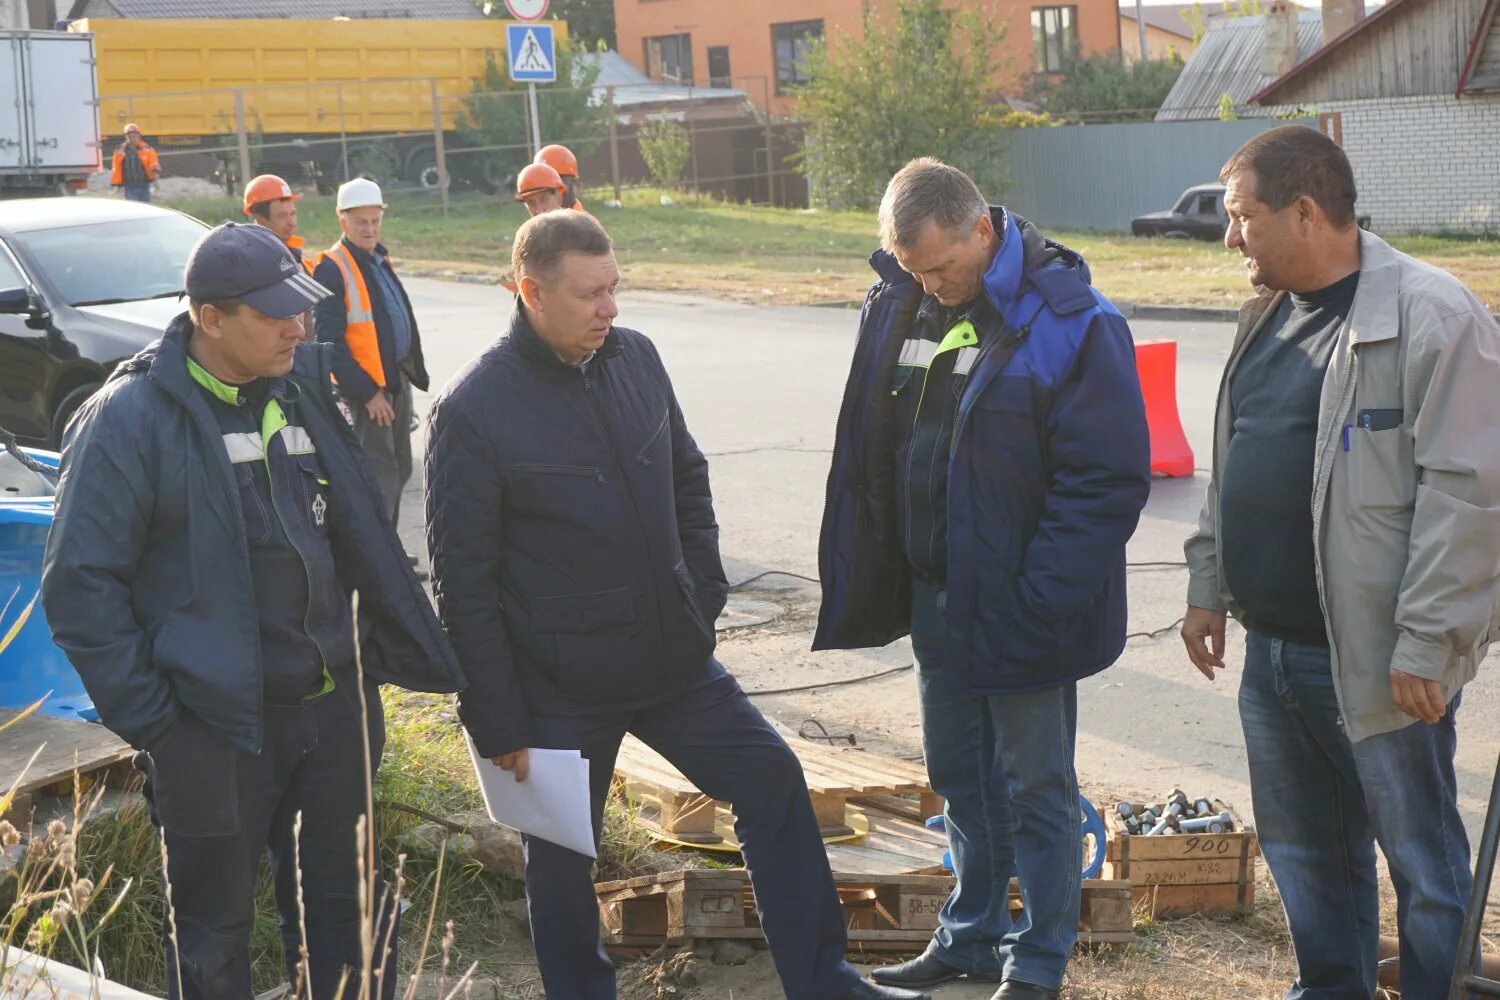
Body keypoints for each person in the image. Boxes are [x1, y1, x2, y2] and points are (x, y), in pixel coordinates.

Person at [425, 210, 924, 1000]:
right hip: (555, 686)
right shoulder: (475, 409)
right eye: (591, 294)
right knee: (559, 864)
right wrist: (495, 718)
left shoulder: (637, 359)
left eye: (614, 288)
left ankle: (824, 982)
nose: (610, 309)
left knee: (773, 782)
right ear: (531, 291)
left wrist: (703, 595)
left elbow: (688, 480)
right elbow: (463, 580)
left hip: (671, 661)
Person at [41, 222, 465, 1000]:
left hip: (334, 716)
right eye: (275, 315)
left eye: (300, 309)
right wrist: (165, 728)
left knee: (354, 924)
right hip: (214, 732)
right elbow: (79, 589)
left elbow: (357, 535)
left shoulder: (300, 389)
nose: (299, 326)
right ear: (210, 318)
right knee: (213, 940)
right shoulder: (129, 419)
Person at [814, 158, 1150, 1000]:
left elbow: (1104, 483)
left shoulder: (1074, 322)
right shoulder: (909, 300)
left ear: (981, 229)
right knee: (962, 779)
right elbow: (885, 444)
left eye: (943, 265)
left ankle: (1037, 963)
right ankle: (970, 940)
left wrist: (1041, 602)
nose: (932, 282)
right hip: (939, 597)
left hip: (1024, 606)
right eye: (915, 268)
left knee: (1035, 789)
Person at [1181, 124, 1500, 1000]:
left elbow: (1472, 500)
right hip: (1273, 654)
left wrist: (1428, 644)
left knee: (1423, 868)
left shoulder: (1432, 316)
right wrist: (1209, 586)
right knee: (1306, 855)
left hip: (1382, 662)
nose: (1230, 235)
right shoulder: (1266, 320)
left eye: (1242, 216)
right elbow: (1231, 465)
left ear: (1306, 211)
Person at [312, 178, 430, 544]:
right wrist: (368, 394)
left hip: (395, 383)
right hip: (370, 393)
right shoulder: (333, 267)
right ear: (342, 220)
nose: (370, 228)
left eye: (375, 220)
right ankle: (379, 558)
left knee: (399, 468)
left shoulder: (377, 259)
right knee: (380, 477)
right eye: (361, 221)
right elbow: (330, 342)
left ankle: (388, 549)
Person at [244, 173, 313, 272]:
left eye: (293, 214)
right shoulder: (255, 264)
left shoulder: (294, 255)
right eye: (282, 216)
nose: (292, 223)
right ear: (260, 218)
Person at [110, 123, 161, 203]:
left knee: (145, 208)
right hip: (129, 186)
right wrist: (118, 186)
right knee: (134, 209)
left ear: (139, 136)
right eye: (130, 136)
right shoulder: (119, 150)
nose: (133, 138)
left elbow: (154, 165)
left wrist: (156, 182)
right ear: (126, 136)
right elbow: (116, 168)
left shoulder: (147, 149)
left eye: (135, 135)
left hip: (144, 185)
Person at [536, 143, 585, 212]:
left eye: (559, 178)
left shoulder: (584, 222)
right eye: (543, 180)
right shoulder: (539, 219)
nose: (550, 188)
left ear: (572, 180)